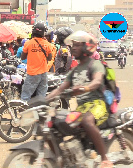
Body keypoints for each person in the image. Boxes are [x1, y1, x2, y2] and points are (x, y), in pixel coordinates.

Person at [46, 31, 113, 168]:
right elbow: (60, 89)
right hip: (81, 107)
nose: (73, 48)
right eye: (73, 45)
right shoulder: (75, 70)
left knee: (87, 121)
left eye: (77, 45)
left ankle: (105, 159)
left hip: (98, 105)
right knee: (56, 124)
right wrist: (42, 101)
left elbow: (97, 81)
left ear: (87, 47)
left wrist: (84, 88)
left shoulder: (95, 64)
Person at [20, 22, 53, 101]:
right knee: (41, 97)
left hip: (32, 74)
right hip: (43, 73)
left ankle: (24, 111)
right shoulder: (47, 44)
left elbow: (23, 57)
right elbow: (49, 58)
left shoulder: (28, 43)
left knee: (26, 96)